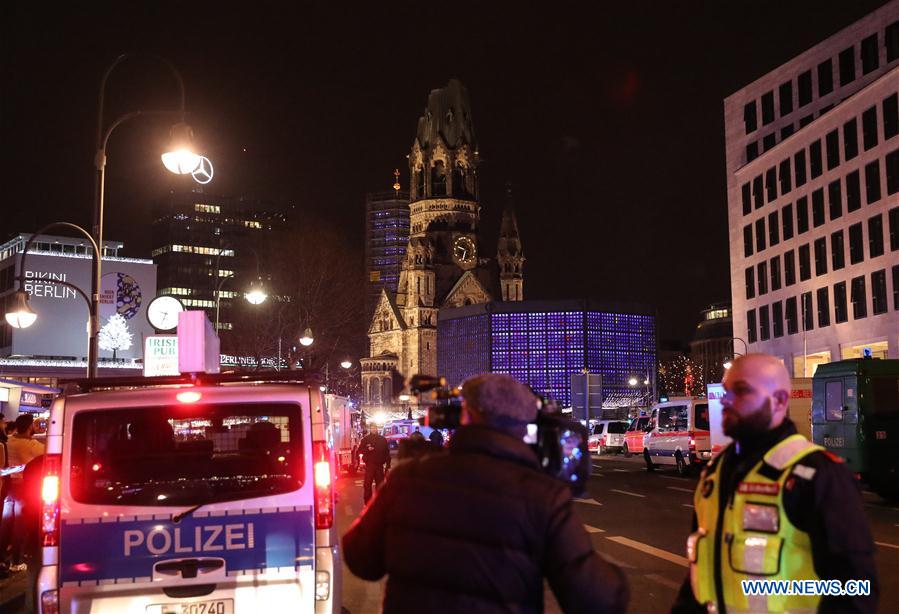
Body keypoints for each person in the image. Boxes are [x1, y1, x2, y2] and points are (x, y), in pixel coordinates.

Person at [343, 374, 629, 613]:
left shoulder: (408, 477)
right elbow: (596, 600)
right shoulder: (542, 495)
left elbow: (360, 559)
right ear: (527, 427)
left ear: (465, 416)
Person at [672, 354, 879, 614]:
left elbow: (855, 590)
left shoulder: (817, 474)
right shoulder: (714, 472)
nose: (726, 400)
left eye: (741, 390)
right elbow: (700, 574)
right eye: (726, 391)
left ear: (780, 400)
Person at [0, 414, 45, 573]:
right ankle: (17, 561)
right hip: (23, 486)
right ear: (30, 426)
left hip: (9, 486)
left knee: (6, 522)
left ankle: (2, 558)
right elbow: (50, 452)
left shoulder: (9, 440)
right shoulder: (32, 445)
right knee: (20, 523)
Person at [357, 423, 390, 504]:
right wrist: (367, 449)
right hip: (370, 465)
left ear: (377, 428)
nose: (373, 429)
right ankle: (368, 503)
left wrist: (387, 466)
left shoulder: (382, 440)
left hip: (379, 466)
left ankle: (380, 502)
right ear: (370, 429)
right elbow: (359, 451)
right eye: (372, 428)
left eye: (375, 428)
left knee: (380, 486)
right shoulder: (366, 439)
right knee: (367, 485)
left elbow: (387, 453)